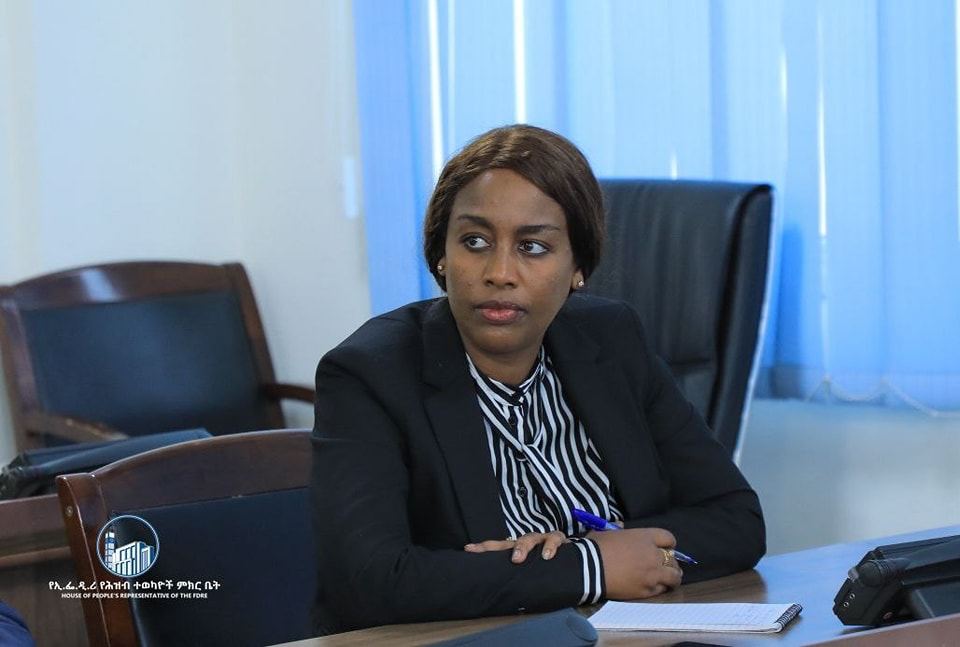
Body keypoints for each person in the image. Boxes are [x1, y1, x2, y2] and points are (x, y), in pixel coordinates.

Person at [310, 124, 765, 635]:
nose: (500, 272)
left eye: (532, 247)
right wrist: (590, 567)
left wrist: (610, 549)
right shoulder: (370, 374)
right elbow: (368, 581)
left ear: (578, 266)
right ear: (441, 254)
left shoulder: (611, 340)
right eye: (475, 241)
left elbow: (737, 520)